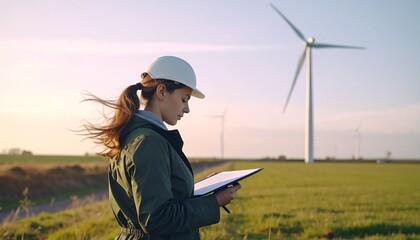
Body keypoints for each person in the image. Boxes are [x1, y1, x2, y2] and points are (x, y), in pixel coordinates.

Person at [81, 56, 241, 239]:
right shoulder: (149, 142)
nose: (187, 108)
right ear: (162, 91)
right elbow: (157, 219)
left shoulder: (137, 135)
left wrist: (205, 191)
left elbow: (161, 197)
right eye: (184, 99)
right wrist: (214, 202)